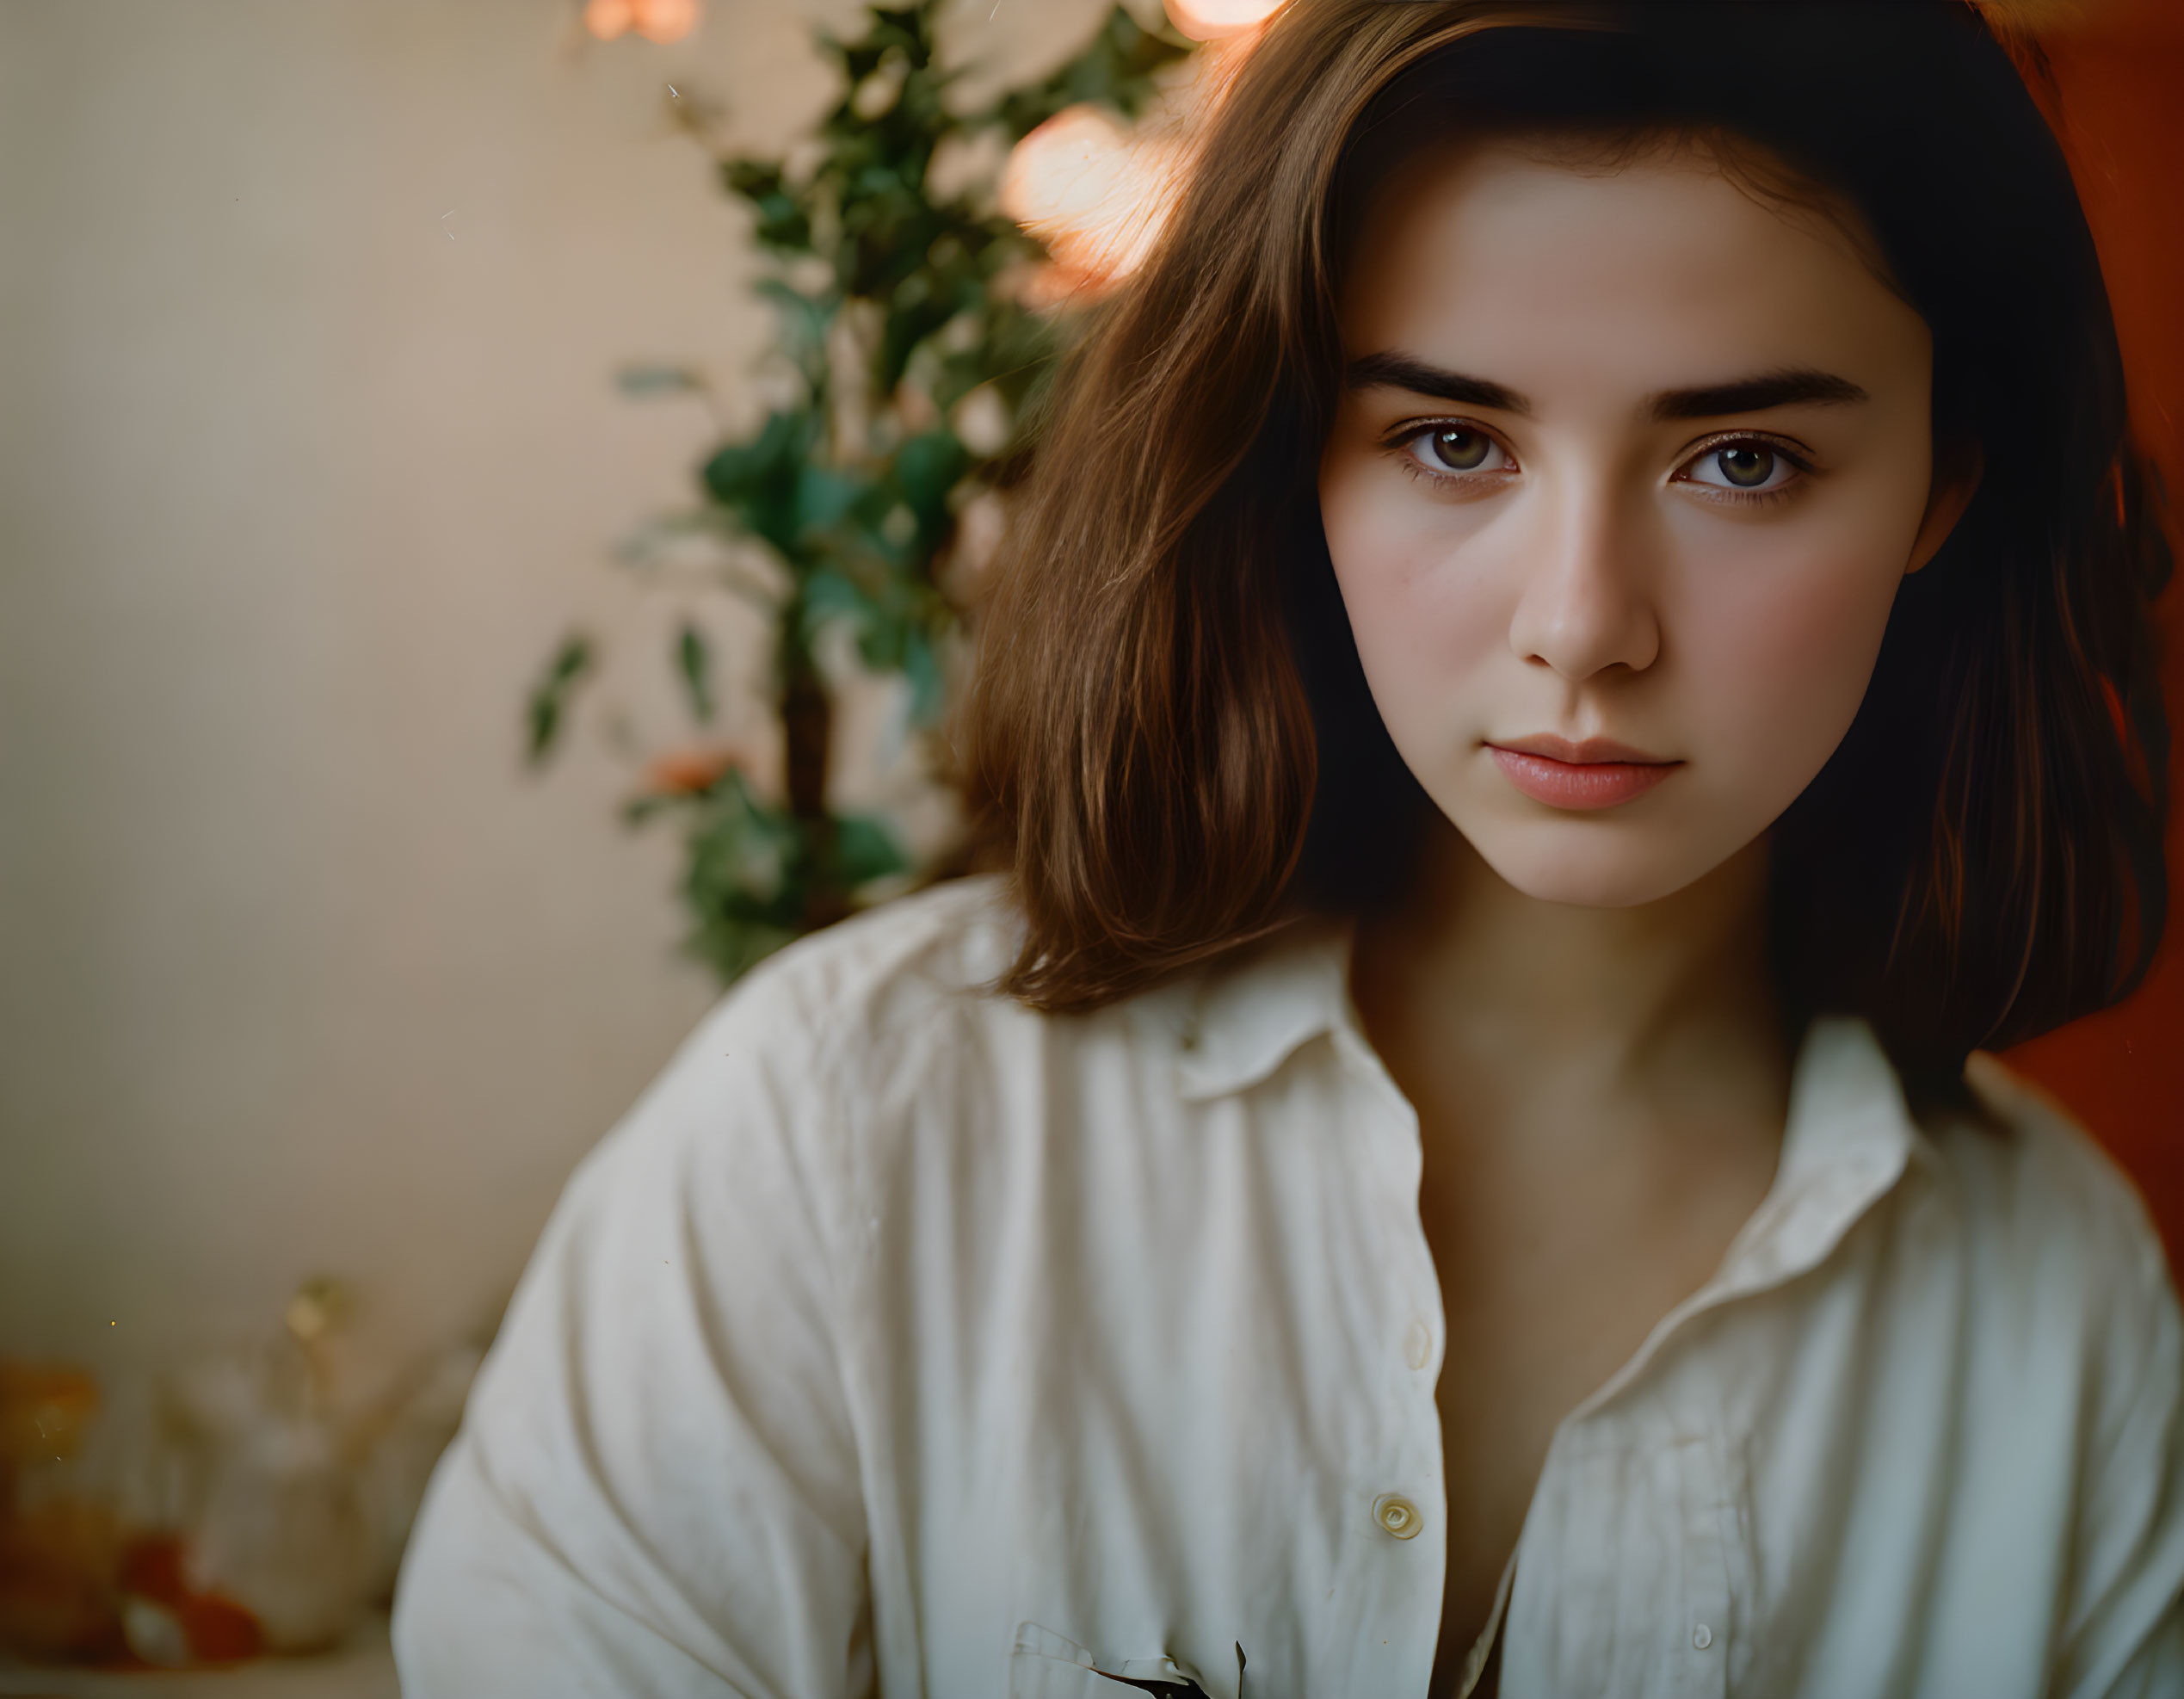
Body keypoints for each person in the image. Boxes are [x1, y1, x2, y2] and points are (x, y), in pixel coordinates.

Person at [393, 3, 2182, 1694]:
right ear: (1295, 456)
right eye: (1453, 439)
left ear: (1947, 480)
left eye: (1742, 461)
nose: (1583, 629)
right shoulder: (847, 1134)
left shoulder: (2062, 1320)